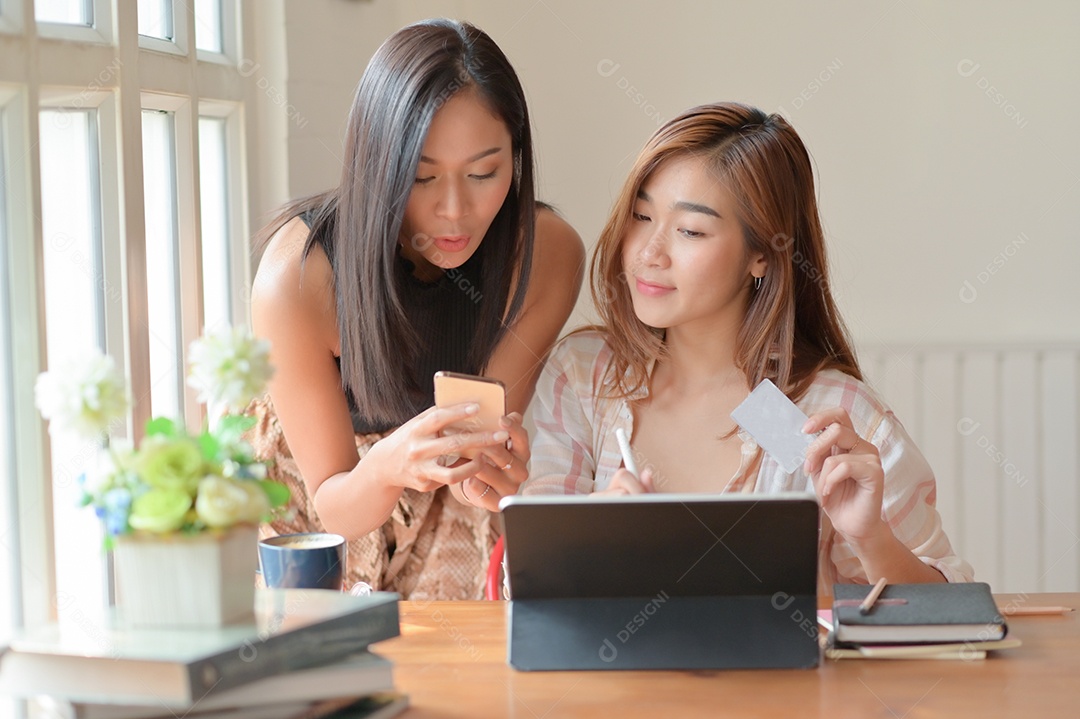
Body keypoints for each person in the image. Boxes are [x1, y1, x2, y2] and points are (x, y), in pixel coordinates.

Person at [522, 102, 972, 594]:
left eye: (690, 230)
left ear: (761, 253)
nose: (649, 252)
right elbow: (525, 582)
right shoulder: (586, 375)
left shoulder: (813, 417)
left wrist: (872, 538)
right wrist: (587, 535)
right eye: (641, 215)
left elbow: (951, 610)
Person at [248, 19, 584, 600]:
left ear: (516, 155)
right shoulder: (301, 279)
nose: (454, 210)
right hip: (314, 494)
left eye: (484, 172)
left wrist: (487, 475)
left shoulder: (547, 256)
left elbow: (470, 458)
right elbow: (333, 502)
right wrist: (386, 465)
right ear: (377, 165)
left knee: (457, 671)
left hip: (437, 500)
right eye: (421, 176)